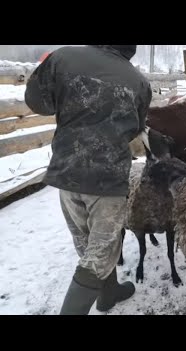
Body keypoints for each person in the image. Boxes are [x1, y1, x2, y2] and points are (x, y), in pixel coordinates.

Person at [24, 45, 152, 315]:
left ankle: (109, 294)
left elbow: (37, 102)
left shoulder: (63, 57)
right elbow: (136, 127)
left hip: (67, 172)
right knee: (101, 251)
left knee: (86, 240)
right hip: (107, 179)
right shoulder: (139, 82)